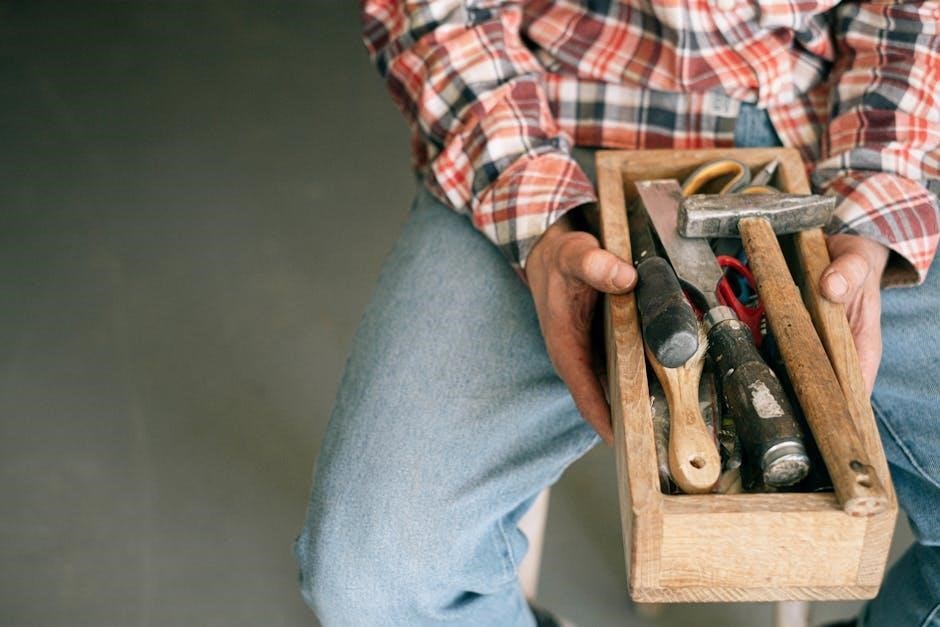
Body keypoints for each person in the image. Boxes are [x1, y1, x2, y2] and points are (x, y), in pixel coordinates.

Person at [296, 1, 939, 625]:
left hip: (827, 146)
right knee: (370, 572)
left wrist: (873, 204)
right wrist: (537, 218)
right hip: (539, 133)